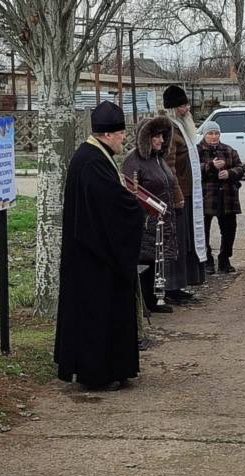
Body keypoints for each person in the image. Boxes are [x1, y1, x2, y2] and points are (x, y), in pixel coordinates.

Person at [54, 101, 144, 391]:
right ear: (107, 135)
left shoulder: (94, 155)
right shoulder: (92, 161)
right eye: (120, 134)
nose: (123, 139)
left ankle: (111, 369)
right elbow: (110, 207)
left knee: (102, 312)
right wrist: (135, 206)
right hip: (94, 258)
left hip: (93, 253)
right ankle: (97, 373)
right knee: (97, 314)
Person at [122, 115, 180, 315]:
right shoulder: (133, 160)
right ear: (147, 138)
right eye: (156, 137)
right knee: (143, 260)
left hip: (161, 219)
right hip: (145, 219)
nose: (161, 141)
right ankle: (141, 303)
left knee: (156, 260)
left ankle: (153, 299)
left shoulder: (159, 160)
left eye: (163, 137)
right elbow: (130, 190)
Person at [163, 85, 206, 294]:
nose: (187, 108)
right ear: (173, 108)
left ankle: (184, 283)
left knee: (187, 240)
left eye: (187, 104)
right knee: (178, 241)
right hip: (179, 194)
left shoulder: (183, 127)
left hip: (189, 193)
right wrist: (177, 193)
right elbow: (169, 165)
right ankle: (173, 285)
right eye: (182, 105)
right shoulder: (169, 128)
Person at [198, 120, 244, 274]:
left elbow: (240, 167)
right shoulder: (197, 150)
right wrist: (210, 166)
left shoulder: (228, 150)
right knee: (203, 231)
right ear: (204, 134)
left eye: (216, 133)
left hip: (227, 197)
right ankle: (207, 261)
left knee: (229, 231)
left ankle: (224, 259)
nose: (214, 136)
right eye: (210, 133)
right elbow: (192, 169)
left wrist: (230, 173)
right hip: (206, 197)